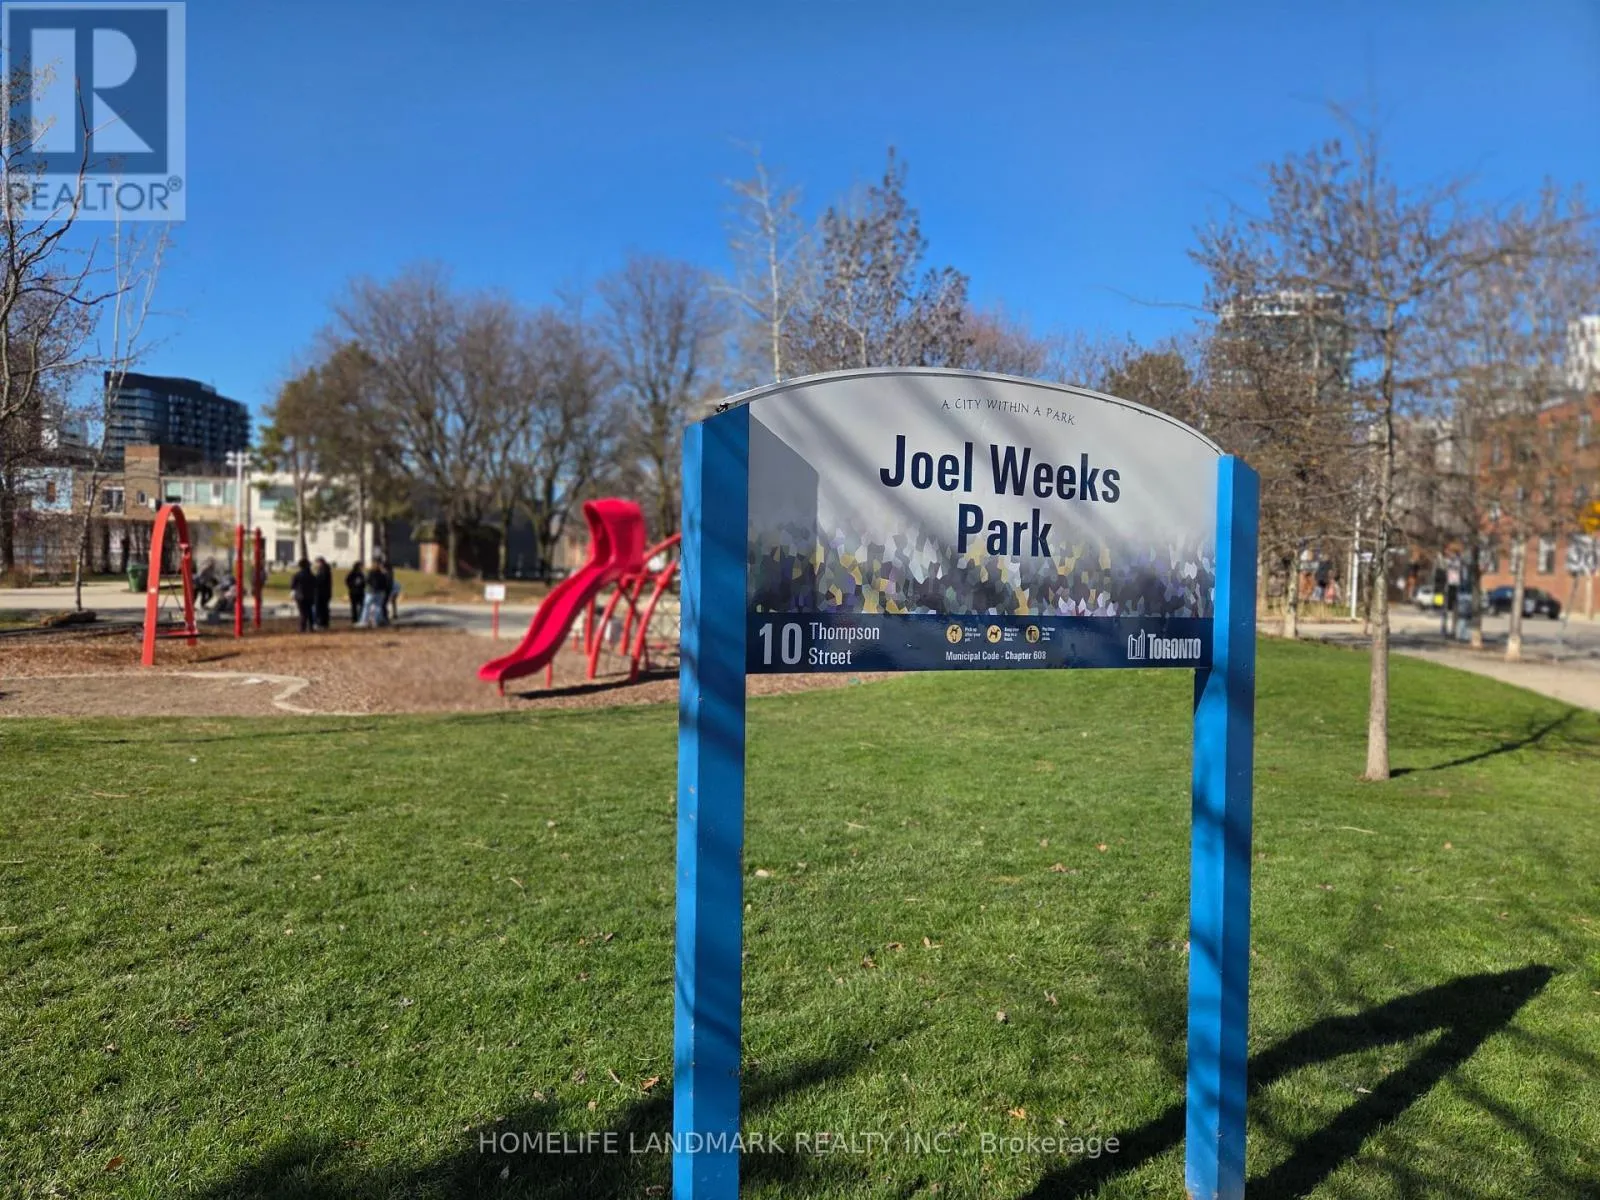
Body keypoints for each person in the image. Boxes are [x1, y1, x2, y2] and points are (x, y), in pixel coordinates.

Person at [290, 558, 316, 633]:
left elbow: (292, 585)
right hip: (310, 595)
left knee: (303, 612)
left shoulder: (297, 575)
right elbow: (315, 584)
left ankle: (302, 628)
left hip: (300, 596)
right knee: (309, 612)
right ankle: (311, 627)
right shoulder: (311, 575)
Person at [362, 560, 389, 628]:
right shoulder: (382, 574)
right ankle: (375, 622)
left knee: (367, 606)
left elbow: (367, 581)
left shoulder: (370, 573)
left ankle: (364, 621)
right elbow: (385, 583)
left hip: (371, 592)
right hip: (379, 592)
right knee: (378, 607)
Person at [313, 557, 333, 631]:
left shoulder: (323, 570)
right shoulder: (325, 569)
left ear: (320, 562)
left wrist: (315, 579)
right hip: (325, 592)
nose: (316, 565)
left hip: (321, 593)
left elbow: (320, 580)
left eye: (317, 563)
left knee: (320, 608)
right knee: (324, 608)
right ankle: (324, 623)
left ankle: (320, 623)